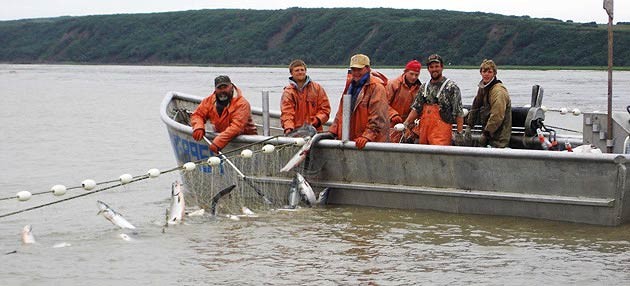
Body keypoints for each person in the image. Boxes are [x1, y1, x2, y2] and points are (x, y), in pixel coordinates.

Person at [329, 54, 389, 149]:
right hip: (352, 140)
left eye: (359, 69)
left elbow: (378, 117)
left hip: (371, 143)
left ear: (368, 69)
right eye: (353, 69)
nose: (356, 72)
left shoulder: (377, 87)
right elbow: (341, 111)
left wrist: (367, 136)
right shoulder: (349, 86)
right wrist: (332, 131)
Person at [403, 54, 464, 146]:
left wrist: (459, 134)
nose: (434, 69)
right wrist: (406, 124)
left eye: (437, 66)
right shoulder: (424, 87)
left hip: (441, 134)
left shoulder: (452, 87)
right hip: (424, 132)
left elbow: (459, 112)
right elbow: (416, 108)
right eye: (431, 67)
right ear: (428, 69)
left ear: (442, 67)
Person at [190, 75, 257, 153]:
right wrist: (198, 127)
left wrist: (219, 141)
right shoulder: (209, 101)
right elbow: (197, 115)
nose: (222, 91)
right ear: (215, 90)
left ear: (231, 87)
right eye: (219, 88)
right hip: (223, 141)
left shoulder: (242, 104)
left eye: (225, 87)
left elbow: (237, 126)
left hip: (247, 144)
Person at [465, 59, 512, 148]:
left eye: (489, 72)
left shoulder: (498, 91)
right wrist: (469, 126)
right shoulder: (483, 88)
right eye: (484, 71)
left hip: (499, 138)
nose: (486, 74)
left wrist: (486, 133)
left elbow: (497, 115)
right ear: (481, 73)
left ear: (494, 73)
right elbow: (475, 107)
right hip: (488, 136)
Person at [280, 59, 331, 135]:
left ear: (305, 71)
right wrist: (289, 129)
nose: (300, 72)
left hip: (315, 132)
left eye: (302, 70)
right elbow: (287, 113)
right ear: (291, 73)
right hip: (296, 133)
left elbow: (325, 109)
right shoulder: (288, 92)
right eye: (297, 70)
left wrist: (316, 121)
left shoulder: (317, 88)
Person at [386, 60, 422, 142]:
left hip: (407, 126)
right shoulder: (393, 84)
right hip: (391, 124)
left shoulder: (420, 89)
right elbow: (383, 103)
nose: (414, 77)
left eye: (416, 75)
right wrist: (393, 115)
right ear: (405, 72)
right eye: (411, 74)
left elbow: (419, 109)